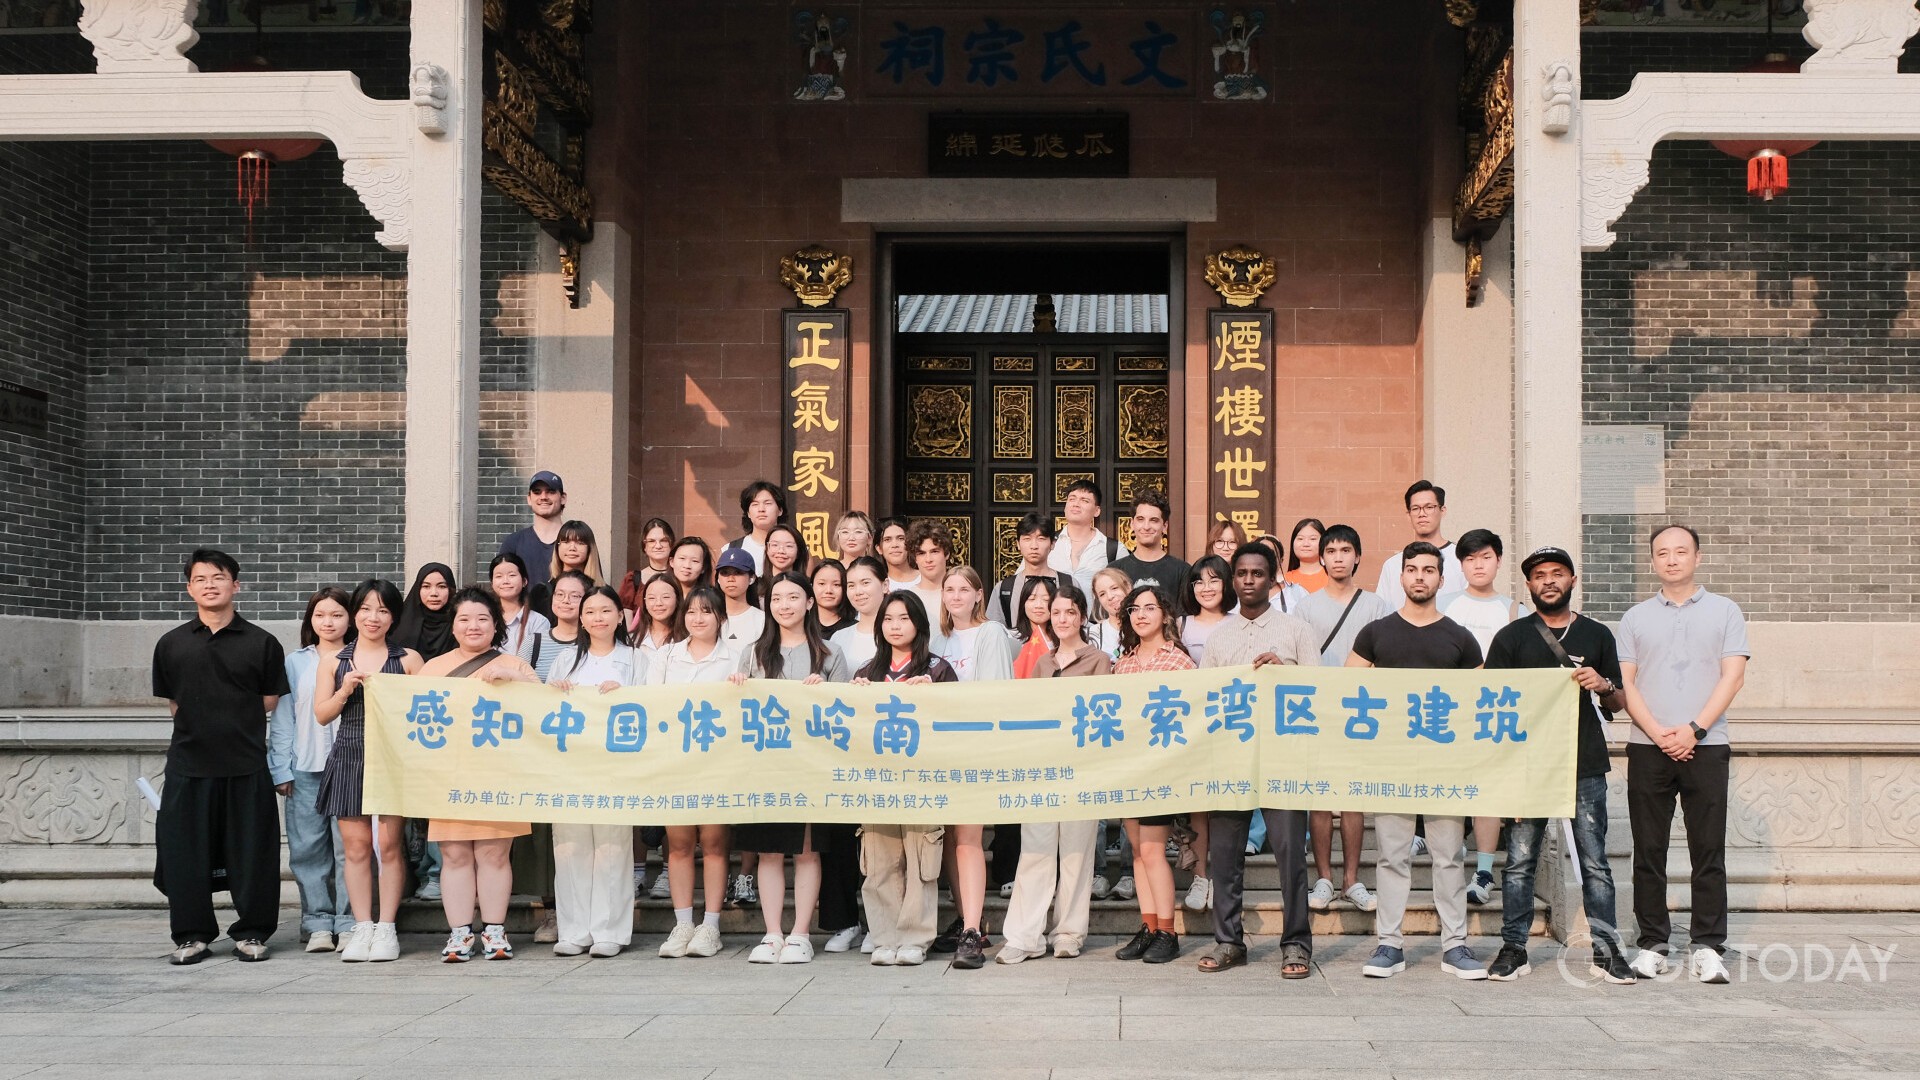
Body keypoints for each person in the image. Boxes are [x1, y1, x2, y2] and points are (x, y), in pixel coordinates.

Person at [1484, 546, 1636, 984]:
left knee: (1594, 861)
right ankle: (1514, 948)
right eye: (1539, 576)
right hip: (1527, 766)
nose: (1548, 581)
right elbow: (1492, 703)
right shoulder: (1511, 638)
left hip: (1583, 763)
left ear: (1572, 581)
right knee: (1519, 860)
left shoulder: (1597, 635)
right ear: (1528, 585)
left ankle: (1607, 951)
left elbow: (1619, 701)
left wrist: (1601, 683)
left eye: (1557, 573)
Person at [1618, 525, 1749, 985]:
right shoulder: (1634, 618)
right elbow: (1626, 684)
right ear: (1653, 561)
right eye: (1662, 553)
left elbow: (1731, 677)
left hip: (1707, 746)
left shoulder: (1725, 611)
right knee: (1648, 850)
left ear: (1697, 556)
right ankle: (1653, 943)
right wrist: (1658, 733)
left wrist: (1693, 730)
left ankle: (1708, 946)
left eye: (1680, 551)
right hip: (1647, 747)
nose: (1672, 559)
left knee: (1707, 849)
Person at [1351, 541, 1486, 980]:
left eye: (1429, 570)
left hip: (1445, 764)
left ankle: (1455, 945)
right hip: (1391, 762)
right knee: (1392, 856)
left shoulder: (1460, 638)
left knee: (1449, 855)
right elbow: (1345, 691)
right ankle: (1389, 944)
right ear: (1401, 577)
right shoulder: (1376, 634)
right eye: (1412, 569)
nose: (1420, 577)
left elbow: (1478, 703)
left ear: (1441, 580)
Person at [151, 548, 290, 966]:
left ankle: (252, 932)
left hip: (246, 763)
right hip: (189, 765)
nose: (210, 585)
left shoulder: (261, 642)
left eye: (218, 577)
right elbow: (175, 702)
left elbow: (269, 700)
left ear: (236, 585)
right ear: (189, 587)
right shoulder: (171, 644)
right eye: (201, 579)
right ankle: (191, 935)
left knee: (253, 853)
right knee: (184, 854)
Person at [1197, 542, 1321, 978]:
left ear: (1273, 578)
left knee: (1290, 855)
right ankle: (1229, 941)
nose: (1249, 580)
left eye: (1258, 573)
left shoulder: (1296, 630)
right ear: (1234, 581)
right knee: (1226, 855)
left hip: (1283, 759)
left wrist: (1281, 673)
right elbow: (1205, 700)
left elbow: (1318, 693)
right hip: (1231, 760)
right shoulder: (1220, 636)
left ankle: (1296, 944)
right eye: (1242, 574)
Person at [729, 571, 851, 966]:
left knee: (806, 851)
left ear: (810, 603)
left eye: (793, 597)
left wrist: (825, 693)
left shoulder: (830, 654)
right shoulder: (751, 654)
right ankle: (771, 933)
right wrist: (736, 686)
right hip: (764, 767)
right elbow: (735, 710)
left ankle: (800, 933)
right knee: (768, 852)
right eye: (777, 598)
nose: (785, 604)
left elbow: (847, 712)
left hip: (811, 768)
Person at [416, 587, 540, 963]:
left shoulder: (515, 665)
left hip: (500, 775)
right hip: (449, 775)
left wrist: (513, 679)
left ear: (496, 625)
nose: (474, 626)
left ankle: (495, 931)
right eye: (465, 619)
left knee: (494, 854)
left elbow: (544, 706)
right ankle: (458, 934)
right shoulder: (432, 668)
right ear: (452, 626)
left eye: (483, 618)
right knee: (453, 854)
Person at [998, 579, 1108, 964]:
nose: (1062, 619)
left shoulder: (1098, 661)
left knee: (1077, 853)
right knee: (1036, 850)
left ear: (1082, 616)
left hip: (1081, 770)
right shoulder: (1042, 662)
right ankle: (1024, 936)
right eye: (1056, 612)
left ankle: (1069, 932)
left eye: (1070, 612)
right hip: (1042, 768)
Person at [315, 578, 422, 963]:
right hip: (349, 753)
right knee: (356, 847)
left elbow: (425, 716)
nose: (373, 617)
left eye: (383, 610)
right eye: (365, 609)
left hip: (393, 757)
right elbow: (321, 714)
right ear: (354, 613)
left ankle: (387, 927)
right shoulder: (334, 661)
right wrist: (344, 690)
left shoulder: (408, 659)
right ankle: (362, 926)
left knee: (390, 846)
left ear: (394, 616)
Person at [852, 591, 957, 966]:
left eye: (904, 619)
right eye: (888, 620)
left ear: (919, 624)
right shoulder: (866, 672)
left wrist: (938, 696)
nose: (895, 627)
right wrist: (853, 698)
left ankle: (915, 937)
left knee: (921, 861)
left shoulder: (939, 670)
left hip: (922, 782)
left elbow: (958, 722)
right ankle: (884, 936)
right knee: (879, 862)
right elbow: (848, 727)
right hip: (877, 783)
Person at [1293, 524, 1391, 914]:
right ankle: (1323, 878)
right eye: (1330, 550)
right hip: (1317, 711)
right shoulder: (1306, 606)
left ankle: (1352, 880)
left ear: (1357, 557)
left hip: (1360, 712)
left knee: (1352, 799)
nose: (1337, 557)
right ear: (1321, 557)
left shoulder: (1376, 606)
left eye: (1345, 550)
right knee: (1319, 799)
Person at [544, 585, 644, 958]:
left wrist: (627, 693)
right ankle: (573, 930)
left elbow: (652, 704)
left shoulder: (637, 660)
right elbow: (545, 708)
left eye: (606, 611)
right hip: (570, 765)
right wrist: (554, 691)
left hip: (615, 765)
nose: (597, 617)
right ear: (580, 619)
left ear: (621, 616)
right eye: (589, 611)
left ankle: (609, 930)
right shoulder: (566, 659)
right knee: (569, 846)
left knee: (612, 845)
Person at [648, 584, 739, 959]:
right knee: (680, 844)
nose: (698, 618)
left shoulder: (735, 658)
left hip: (718, 764)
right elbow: (652, 704)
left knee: (715, 844)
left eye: (706, 612)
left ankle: (711, 925)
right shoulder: (666, 657)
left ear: (720, 617)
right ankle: (683, 922)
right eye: (691, 612)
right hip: (676, 765)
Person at [931, 565, 1015, 970]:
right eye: (950, 589)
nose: (956, 596)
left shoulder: (990, 633)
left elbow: (994, 693)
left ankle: (972, 931)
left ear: (979, 595)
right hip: (939, 748)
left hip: (974, 745)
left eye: (965, 589)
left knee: (968, 837)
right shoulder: (936, 636)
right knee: (949, 838)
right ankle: (968, 917)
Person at [1441, 529, 1527, 907]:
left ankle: (1485, 871)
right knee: (1451, 793)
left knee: (1487, 794)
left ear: (1498, 561)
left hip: (1493, 713)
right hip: (1449, 714)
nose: (1478, 565)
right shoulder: (1445, 606)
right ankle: (1449, 866)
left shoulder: (1514, 611)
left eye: (1486, 557)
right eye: (1470, 559)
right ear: (1460, 565)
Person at [1111, 583, 1195, 964]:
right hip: (1129, 767)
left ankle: (1168, 931)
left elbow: (1193, 712)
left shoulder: (1178, 660)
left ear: (1165, 614)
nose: (1140, 615)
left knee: (1152, 848)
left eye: (1149, 607)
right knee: (1137, 854)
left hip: (1163, 769)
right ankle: (1148, 926)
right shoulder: (1123, 663)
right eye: (1134, 609)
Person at [268, 586, 355, 954]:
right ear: (310, 620)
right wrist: (280, 768)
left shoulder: (360, 658)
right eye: (320, 615)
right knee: (308, 848)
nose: (328, 622)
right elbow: (283, 716)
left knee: (349, 848)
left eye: (336, 614)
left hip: (351, 766)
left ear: (349, 618)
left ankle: (350, 920)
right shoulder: (295, 662)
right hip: (305, 766)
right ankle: (317, 921)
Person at [1374, 480, 1465, 609]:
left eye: (1429, 507)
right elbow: (1382, 611)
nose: (1422, 514)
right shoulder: (1392, 564)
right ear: (1408, 515)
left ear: (1442, 510)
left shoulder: (1461, 559)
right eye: (1415, 508)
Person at [1109, 489, 1190, 596]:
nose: (1146, 527)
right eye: (1140, 519)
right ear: (1132, 524)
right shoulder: (1115, 570)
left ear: (1165, 526)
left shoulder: (1183, 571)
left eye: (1153, 520)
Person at [986, 511, 1057, 628]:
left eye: (1041, 538)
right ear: (1018, 544)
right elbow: (994, 632)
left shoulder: (1067, 583)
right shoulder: (1004, 588)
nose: (1034, 546)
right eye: (1027, 539)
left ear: (1052, 544)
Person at [496, 470, 566, 589]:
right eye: (537, 492)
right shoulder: (513, 542)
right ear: (529, 499)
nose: (543, 497)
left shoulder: (576, 542)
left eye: (551, 491)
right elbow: (502, 587)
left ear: (563, 498)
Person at [1048, 478, 1118, 595]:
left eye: (1084, 500)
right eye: (1072, 499)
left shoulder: (1113, 549)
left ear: (1097, 511)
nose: (1076, 504)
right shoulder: (1046, 542)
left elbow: (1126, 590)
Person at [532, 519, 606, 621]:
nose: (572, 548)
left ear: (590, 548)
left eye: (580, 543)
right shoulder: (542, 592)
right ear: (557, 547)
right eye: (566, 542)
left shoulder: (603, 593)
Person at [828, 555, 887, 675]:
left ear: (885, 585)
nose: (858, 592)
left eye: (865, 583)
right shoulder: (839, 638)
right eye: (851, 585)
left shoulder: (900, 634)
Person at [491, 553, 550, 666]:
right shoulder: (485, 618)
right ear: (492, 583)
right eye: (499, 576)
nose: (505, 581)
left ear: (524, 581)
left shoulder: (538, 622)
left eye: (512, 575)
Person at [531, 571, 588, 683]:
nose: (565, 600)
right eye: (560, 594)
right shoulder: (534, 641)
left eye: (575, 596)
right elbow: (518, 685)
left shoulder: (595, 642)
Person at [392, 562, 456, 660]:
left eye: (442, 586)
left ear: (451, 590)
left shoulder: (460, 622)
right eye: (426, 586)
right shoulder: (399, 623)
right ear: (418, 589)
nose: (434, 593)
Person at [1179, 555, 1234, 665]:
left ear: (1226, 584)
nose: (1206, 588)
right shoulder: (1180, 625)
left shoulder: (1239, 622)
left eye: (1213, 581)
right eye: (1199, 583)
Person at [725, 479, 787, 575]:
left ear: (780, 510)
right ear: (748, 513)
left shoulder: (797, 549)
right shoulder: (730, 550)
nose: (761, 509)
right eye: (755, 504)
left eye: (768, 503)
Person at [714, 546, 766, 652]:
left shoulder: (762, 620)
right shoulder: (709, 617)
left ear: (751, 578)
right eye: (725, 573)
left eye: (738, 572)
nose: (731, 579)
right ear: (718, 579)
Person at [1009, 575, 1059, 680]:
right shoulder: (1011, 638)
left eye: (1046, 600)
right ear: (1023, 603)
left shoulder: (1064, 639)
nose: (1038, 605)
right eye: (1032, 599)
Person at [905, 519, 952, 616]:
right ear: (915, 558)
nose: (928, 559)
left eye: (934, 551)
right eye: (921, 553)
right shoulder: (907, 598)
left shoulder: (960, 595)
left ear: (947, 554)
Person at [1089, 566, 1133, 661]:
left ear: (1128, 587)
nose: (1110, 596)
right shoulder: (1092, 635)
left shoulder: (1145, 626)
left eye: (1114, 588)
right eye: (1102, 594)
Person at [759, 522, 807, 599]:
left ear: (799, 552)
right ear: (767, 549)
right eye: (775, 545)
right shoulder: (755, 586)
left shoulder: (808, 585)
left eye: (789, 546)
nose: (781, 551)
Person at [810, 558, 856, 637]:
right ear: (811, 586)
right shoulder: (801, 627)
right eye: (822, 583)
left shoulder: (854, 629)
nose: (828, 591)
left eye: (836, 584)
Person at [1283, 517, 1328, 593]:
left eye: (1313, 539)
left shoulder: (1333, 578)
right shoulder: (1285, 580)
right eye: (1300, 539)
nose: (1306, 544)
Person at [877, 515, 920, 593]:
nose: (895, 545)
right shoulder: (877, 585)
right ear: (879, 549)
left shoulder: (926, 578)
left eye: (901, 538)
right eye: (887, 540)